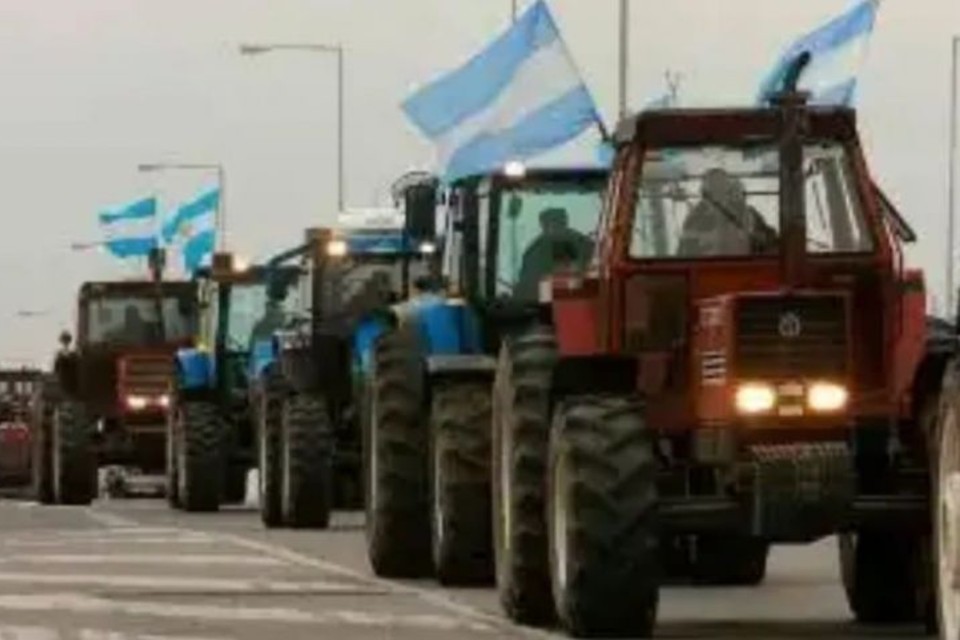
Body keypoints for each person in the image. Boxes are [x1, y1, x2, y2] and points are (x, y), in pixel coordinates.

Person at [677, 168, 777, 257]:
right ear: (705, 191)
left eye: (722, 184)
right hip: (710, 272)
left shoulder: (747, 212)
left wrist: (761, 239)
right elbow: (685, 252)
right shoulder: (695, 218)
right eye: (714, 186)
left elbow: (770, 240)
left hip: (746, 270)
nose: (719, 189)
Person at [515, 207, 594, 300]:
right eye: (549, 224)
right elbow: (527, 285)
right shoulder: (534, 252)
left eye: (558, 223)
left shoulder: (584, 245)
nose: (553, 229)